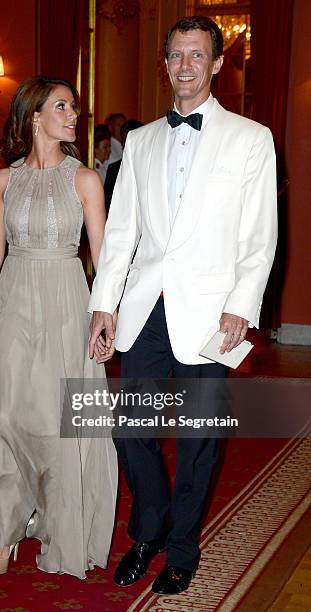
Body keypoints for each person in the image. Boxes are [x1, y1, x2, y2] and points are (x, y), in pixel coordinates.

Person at [89, 15, 277, 595]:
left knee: (198, 441)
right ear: (165, 64)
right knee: (131, 430)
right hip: (145, 310)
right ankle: (148, 529)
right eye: (176, 55)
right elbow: (121, 234)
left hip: (210, 312)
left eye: (197, 55)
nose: (186, 66)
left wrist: (242, 304)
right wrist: (104, 305)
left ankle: (181, 548)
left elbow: (259, 232)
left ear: (217, 63)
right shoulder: (141, 141)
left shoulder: (251, 138)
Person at [0, 76, 117, 580]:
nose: (73, 116)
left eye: (74, 108)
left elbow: (104, 255)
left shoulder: (84, 179)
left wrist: (104, 315)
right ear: (34, 117)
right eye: (62, 106)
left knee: (58, 425)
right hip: (14, 304)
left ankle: (59, 527)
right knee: (5, 417)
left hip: (67, 298)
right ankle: (6, 533)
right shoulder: (4, 180)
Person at [104, 119, 144, 211]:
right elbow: (108, 204)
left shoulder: (154, 168)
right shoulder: (114, 169)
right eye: (124, 143)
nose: (125, 147)